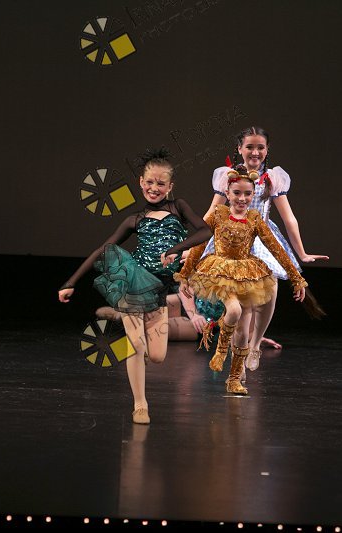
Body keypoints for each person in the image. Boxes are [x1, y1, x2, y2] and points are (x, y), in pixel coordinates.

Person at [58, 148, 211, 425]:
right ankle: (140, 404)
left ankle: (122, 317)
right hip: (133, 280)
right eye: (149, 182)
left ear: (170, 186)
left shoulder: (178, 207)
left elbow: (205, 231)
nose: (154, 188)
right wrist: (70, 282)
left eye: (160, 183)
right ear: (141, 182)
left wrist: (176, 249)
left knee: (158, 356)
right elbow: (102, 249)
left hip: (159, 290)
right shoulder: (135, 219)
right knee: (137, 346)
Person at [173, 165, 307, 395]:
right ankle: (221, 349)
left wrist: (296, 278)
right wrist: (185, 274)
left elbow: (276, 249)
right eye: (237, 193)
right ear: (227, 193)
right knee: (233, 310)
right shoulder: (218, 215)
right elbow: (200, 244)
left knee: (243, 332)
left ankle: (234, 378)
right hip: (220, 272)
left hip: (246, 273)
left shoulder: (254, 219)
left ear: (253, 195)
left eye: (247, 194)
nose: (242, 198)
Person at [202, 126, 328, 372]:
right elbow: (212, 213)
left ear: (267, 150)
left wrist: (301, 253)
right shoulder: (228, 176)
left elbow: (289, 218)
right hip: (233, 237)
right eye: (249, 147)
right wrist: (192, 245)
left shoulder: (272, 178)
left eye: (260, 147)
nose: (255, 152)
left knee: (270, 289)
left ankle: (256, 344)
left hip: (262, 235)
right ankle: (239, 356)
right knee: (244, 305)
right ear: (239, 149)